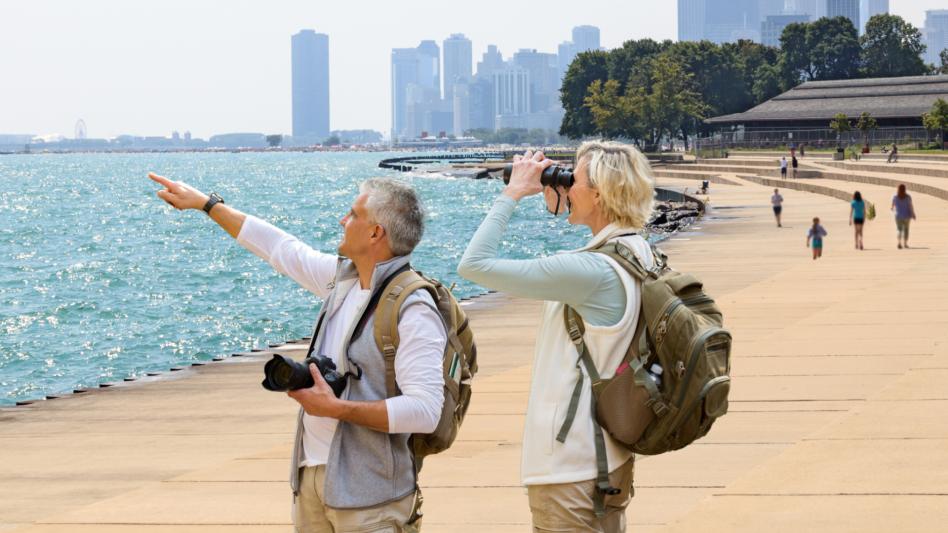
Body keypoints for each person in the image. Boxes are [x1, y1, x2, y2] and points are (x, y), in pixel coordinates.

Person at [147, 173, 446, 533]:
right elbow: (278, 247)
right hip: (313, 482)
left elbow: (426, 411)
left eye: (352, 214)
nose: (342, 220)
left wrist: (338, 409)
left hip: (373, 498)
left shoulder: (413, 308)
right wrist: (206, 205)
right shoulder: (343, 281)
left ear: (375, 233)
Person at [458, 141, 652, 532]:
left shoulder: (591, 272)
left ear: (597, 194)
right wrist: (561, 203)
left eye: (574, 179)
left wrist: (513, 192)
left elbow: (474, 265)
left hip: (570, 471)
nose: (568, 185)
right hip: (608, 458)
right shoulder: (638, 252)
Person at [891, 183, 917, 249]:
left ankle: (899, 242)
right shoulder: (908, 197)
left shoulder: (895, 197)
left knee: (899, 229)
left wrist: (892, 209)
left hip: (898, 216)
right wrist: (913, 214)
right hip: (907, 216)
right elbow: (911, 206)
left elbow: (892, 206)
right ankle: (905, 243)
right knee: (906, 230)